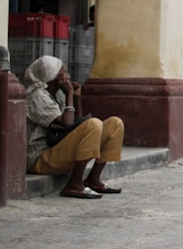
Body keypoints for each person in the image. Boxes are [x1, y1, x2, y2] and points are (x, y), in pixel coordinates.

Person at [24, 55, 125, 199]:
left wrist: (76, 97)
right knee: (94, 123)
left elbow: (77, 123)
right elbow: (68, 123)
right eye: (63, 74)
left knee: (115, 124)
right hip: (40, 159)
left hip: (57, 146)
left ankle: (93, 179)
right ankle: (74, 184)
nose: (67, 77)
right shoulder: (37, 96)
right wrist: (70, 93)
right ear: (53, 77)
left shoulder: (57, 95)